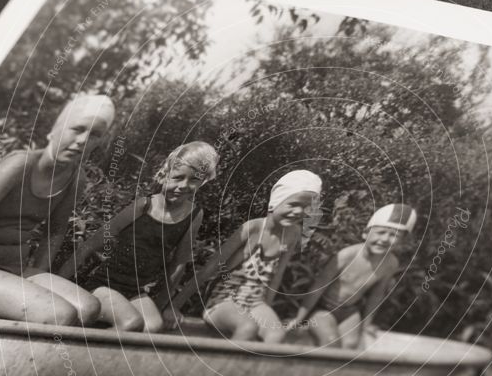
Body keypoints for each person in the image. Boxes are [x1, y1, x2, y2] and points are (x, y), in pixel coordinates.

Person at [0, 94, 116, 330]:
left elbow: (55, 232)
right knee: (60, 315)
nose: (82, 140)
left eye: (94, 135)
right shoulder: (19, 165)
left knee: (89, 309)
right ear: (57, 127)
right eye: (77, 129)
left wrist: (38, 281)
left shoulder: (76, 179)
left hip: (13, 270)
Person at [58, 141, 218, 333]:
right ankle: (89, 353)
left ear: (203, 181)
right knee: (130, 323)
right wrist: (58, 283)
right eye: (177, 177)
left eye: (194, 180)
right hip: (104, 285)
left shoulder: (194, 215)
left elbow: (178, 264)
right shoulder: (144, 206)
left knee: (153, 326)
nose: (183, 185)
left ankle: (115, 359)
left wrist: (163, 305)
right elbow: (91, 244)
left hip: (136, 292)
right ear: (164, 175)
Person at [170, 169, 322, 343]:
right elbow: (210, 269)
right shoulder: (253, 229)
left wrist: (267, 309)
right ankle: (223, 370)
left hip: (256, 303)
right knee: (247, 327)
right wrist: (174, 306)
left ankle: (254, 370)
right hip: (224, 301)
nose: (298, 212)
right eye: (293, 204)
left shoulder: (292, 234)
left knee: (276, 335)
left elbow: (277, 276)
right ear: (277, 200)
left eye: (305, 207)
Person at [287, 203, 416, 349]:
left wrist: (366, 325)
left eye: (394, 235)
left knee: (351, 345)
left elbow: (376, 295)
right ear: (366, 233)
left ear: (402, 241)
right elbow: (318, 287)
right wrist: (299, 318)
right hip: (323, 310)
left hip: (350, 312)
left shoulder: (390, 263)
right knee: (331, 341)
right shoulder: (347, 256)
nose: (385, 239)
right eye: (381, 232)